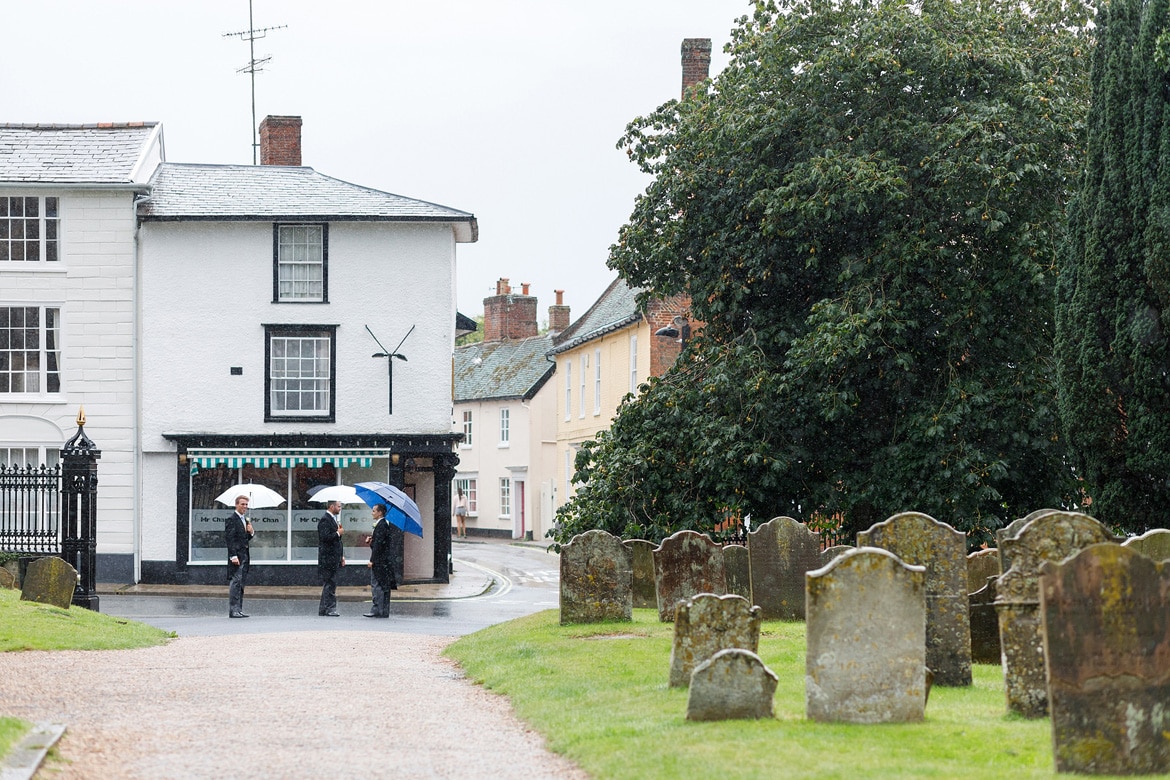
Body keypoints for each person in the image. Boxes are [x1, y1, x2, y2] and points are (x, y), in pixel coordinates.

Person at [363, 503, 395, 618]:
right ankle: (383, 610)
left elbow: (378, 546)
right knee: (383, 585)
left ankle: (377, 609)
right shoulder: (384, 525)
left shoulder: (381, 526)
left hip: (380, 562)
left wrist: (372, 560)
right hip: (384, 561)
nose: (372, 513)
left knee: (377, 585)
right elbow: (379, 544)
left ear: (380, 512)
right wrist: (372, 540)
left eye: (374, 511)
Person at [225, 495, 254, 618]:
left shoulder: (245, 520)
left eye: (246, 504)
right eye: (242, 504)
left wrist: (251, 532)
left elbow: (244, 539)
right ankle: (233, 610)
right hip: (237, 556)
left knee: (241, 583)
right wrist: (233, 556)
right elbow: (230, 539)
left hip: (245, 556)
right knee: (235, 582)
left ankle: (239, 609)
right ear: (236, 505)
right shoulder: (231, 519)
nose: (245, 507)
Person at [317, 499, 345, 616]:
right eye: (338, 506)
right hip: (327, 559)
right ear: (331, 506)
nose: (340, 509)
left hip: (333, 558)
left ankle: (324, 608)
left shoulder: (332, 520)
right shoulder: (325, 520)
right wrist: (338, 533)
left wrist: (341, 556)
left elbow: (337, 542)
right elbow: (325, 538)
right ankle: (330, 608)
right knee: (330, 583)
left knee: (329, 583)